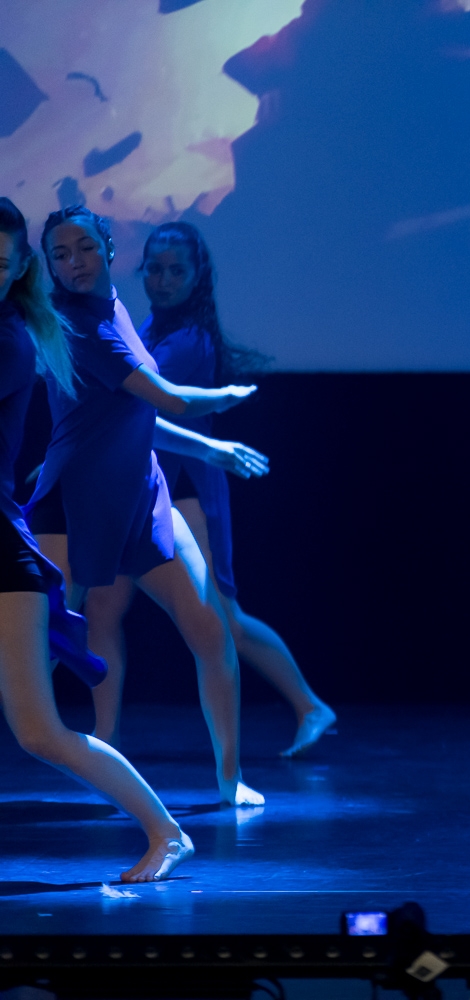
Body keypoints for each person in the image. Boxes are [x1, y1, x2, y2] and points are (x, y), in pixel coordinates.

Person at [31, 205, 262, 806]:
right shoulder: (77, 323)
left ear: (109, 249)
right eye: (60, 255)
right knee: (38, 653)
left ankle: (231, 780)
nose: (75, 262)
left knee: (211, 633)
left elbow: (136, 417)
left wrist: (210, 450)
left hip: (142, 495)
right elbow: (168, 398)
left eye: (85, 248)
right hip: (76, 504)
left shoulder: (117, 310)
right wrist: (226, 395)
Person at [81, 222, 336, 758]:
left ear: (198, 276)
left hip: (186, 493)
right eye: (155, 269)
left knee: (224, 623)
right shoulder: (150, 326)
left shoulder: (189, 340)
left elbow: (139, 410)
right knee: (102, 608)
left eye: (177, 270)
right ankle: (106, 740)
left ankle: (310, 705)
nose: (163, 279)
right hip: (141, 488)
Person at [0, 199, 193, 880]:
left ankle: (166, 831)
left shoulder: (12, 340)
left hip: (6, 554)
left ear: (18, 267)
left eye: (1, 262)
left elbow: (156, 404)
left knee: (38, 731)